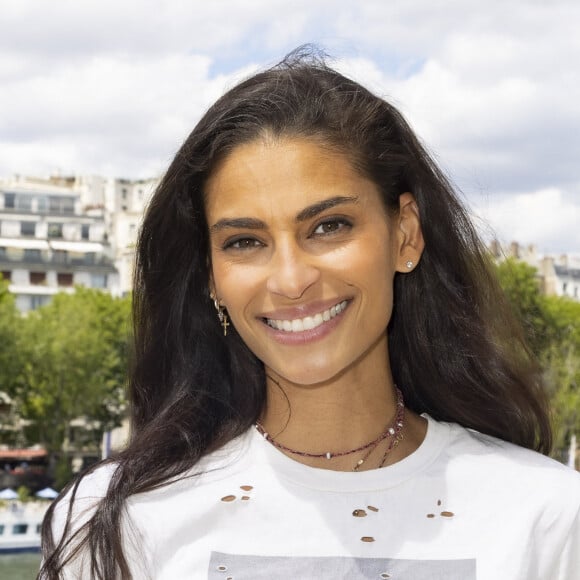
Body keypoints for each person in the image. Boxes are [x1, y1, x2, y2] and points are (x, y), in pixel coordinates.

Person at [39, 48, 580, 579]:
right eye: (246, 241)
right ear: (210, 276)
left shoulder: (548, 520)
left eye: (329, 227)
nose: (292, 280)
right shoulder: (112, 523)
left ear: (405, 234)